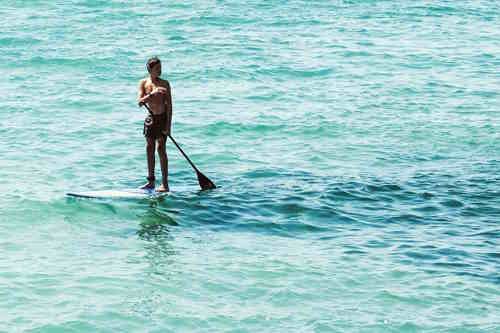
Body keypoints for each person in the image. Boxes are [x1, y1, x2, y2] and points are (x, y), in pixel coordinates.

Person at [137, 57, 172, 192]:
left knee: (161, 149)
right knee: (149, 147)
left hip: (162, 119)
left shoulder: (165, 84)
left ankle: (165, 184)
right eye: (157, 68)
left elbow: (169, 107)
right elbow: (140, 102)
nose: (160, 70)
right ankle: (151, 182)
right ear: (150, 69)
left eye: (161, 67)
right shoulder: (143, 83)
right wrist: (152, 94)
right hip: (150, 119)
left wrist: (168, 127)